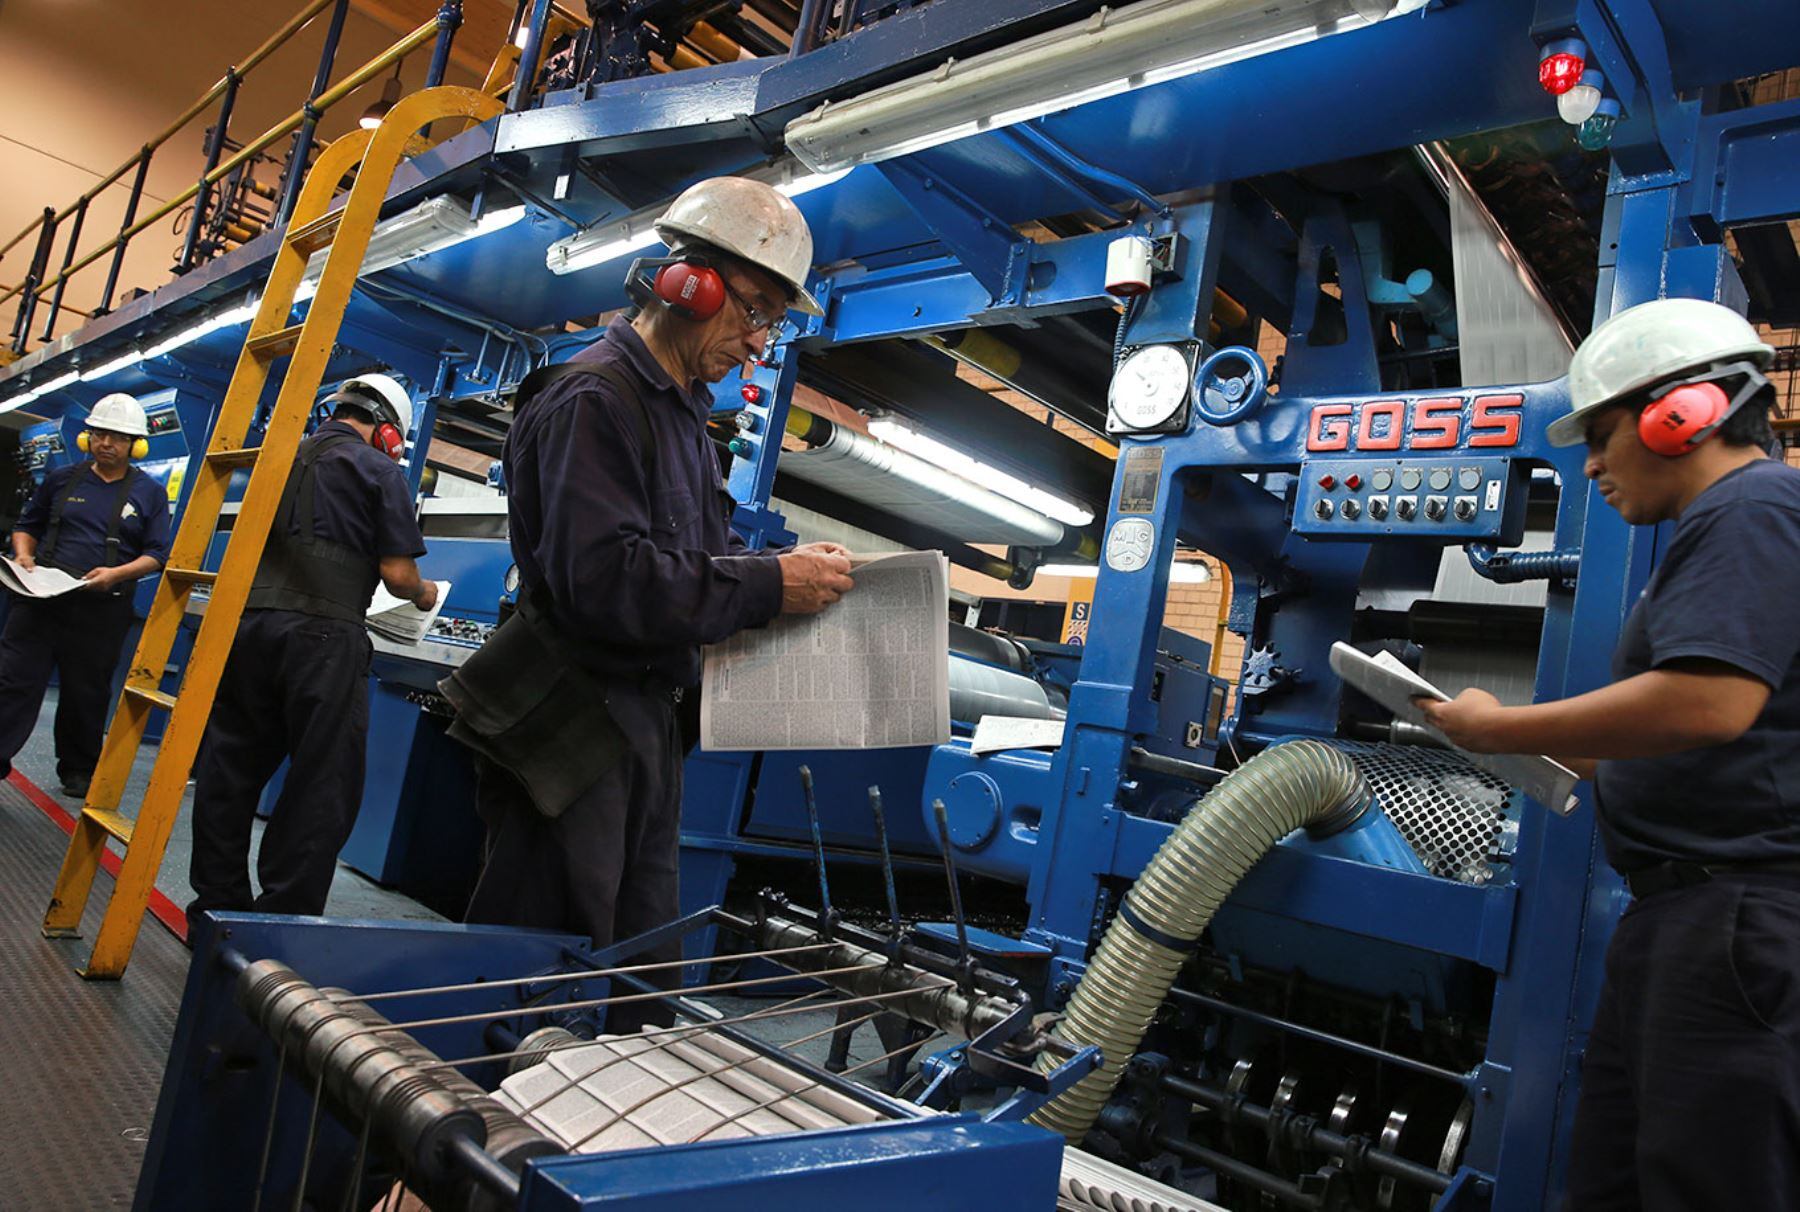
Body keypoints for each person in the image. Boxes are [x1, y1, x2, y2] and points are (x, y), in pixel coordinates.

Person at [1415, 297, 1800, 1209]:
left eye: (1601, 432)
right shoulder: (1723, 528)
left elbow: (1710, 702)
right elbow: (1680, 731)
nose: (1589, 464)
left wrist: (1501, 728)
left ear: (1683, 414)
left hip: (1735, 925)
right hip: (1691, 922)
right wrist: (1527, 751)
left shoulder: (1754, 507)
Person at [449, 177, 855, 1026]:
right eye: (752, 313)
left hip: (641, 725)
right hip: (571, 724)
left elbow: (688, 561)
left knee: (643, 978)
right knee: (536, 976)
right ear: (688, 285)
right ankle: (471, 1139)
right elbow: (607, 582)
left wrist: (776, 571)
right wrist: (768, 586)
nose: (756, 344)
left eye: (772, 324)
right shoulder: (593, 399)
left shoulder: (681, 418)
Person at [187, 373, 437, 929]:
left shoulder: (277, 458)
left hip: (249, 628)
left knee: (230, 770)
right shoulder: (379, 470)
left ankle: (215, 910)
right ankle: (278, 926)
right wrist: (425, 594)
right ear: (389, 433)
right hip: (323, 640)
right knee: (321, 785)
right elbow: (397, 576)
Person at [0, 392, 170, 799]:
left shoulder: (149, 493)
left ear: (135, 445)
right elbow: (28, 526)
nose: (105, 443)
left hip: (100, 610)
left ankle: (77, 769)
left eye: (116, 437)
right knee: (11, 683)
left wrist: (117, 573)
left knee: (86, 691)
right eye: (98, 434)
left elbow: (157, 555)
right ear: (87, 438)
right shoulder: (62, 479)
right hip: (40, 601)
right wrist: (24, 555)